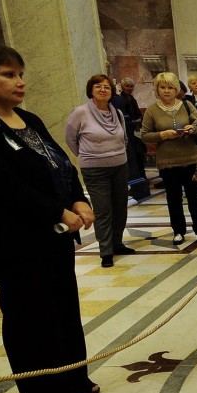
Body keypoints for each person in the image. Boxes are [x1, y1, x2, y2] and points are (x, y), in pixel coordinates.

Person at [0, 42, 98, 393]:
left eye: (21, 74)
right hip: (15, 241)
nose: (20, 82)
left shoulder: (29, 119)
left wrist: (78, 200)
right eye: (9, 75)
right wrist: (57, 210)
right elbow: (3, 185)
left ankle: (73, 376)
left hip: (53, 236)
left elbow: (61, 163)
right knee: (30, 317)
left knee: (63, 308)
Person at [65, 74, 135, 268]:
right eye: (98, 86)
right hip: (95, 170)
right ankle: (106, 251)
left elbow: (124, 138)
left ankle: (117, 243)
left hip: (120, 166)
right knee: (103, 210)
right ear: (91, 90)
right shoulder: (80, 112)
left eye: (107, 87)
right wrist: (88, 155)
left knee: (120, 207)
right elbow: (70, 139)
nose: (103, 90)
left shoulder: (117, 113)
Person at [139, 72, 197, 244]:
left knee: (194, 196)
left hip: (190, 158)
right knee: (173, 198)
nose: (166, 91)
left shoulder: (187, 105)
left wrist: (193, 129)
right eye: (162, 87)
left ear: (176, 89)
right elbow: (144, 135)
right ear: (157, 90)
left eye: (170, 87)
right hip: (167, 161)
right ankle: (178, 231)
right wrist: (162, 135)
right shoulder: (152, 110)